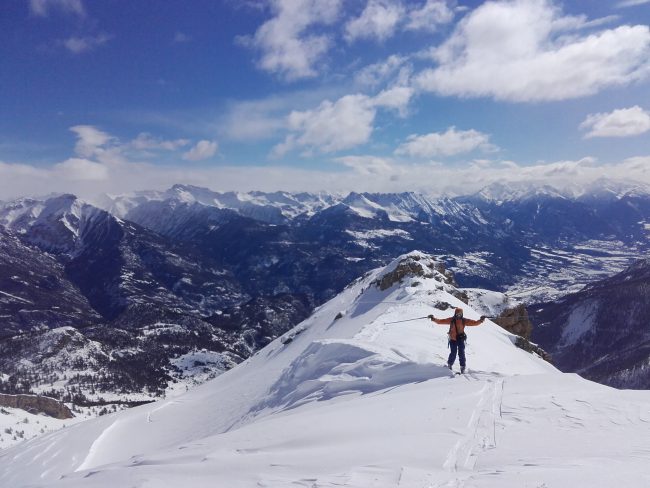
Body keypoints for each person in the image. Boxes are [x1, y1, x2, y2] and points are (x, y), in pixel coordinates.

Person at [428, 307, 486, 374]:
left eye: (460, 314)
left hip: (460, 339)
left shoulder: (464, 320)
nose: (458, 315)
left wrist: (481, 320)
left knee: (461, 353)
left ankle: (462, 366)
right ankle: (450, 365)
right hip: (453, 339)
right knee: (453, 353)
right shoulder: (451, 320)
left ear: (462, 314)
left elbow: (474, 323)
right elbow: (441, 321)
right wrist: (433, 319)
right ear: (455, 314)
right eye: (457, 314)